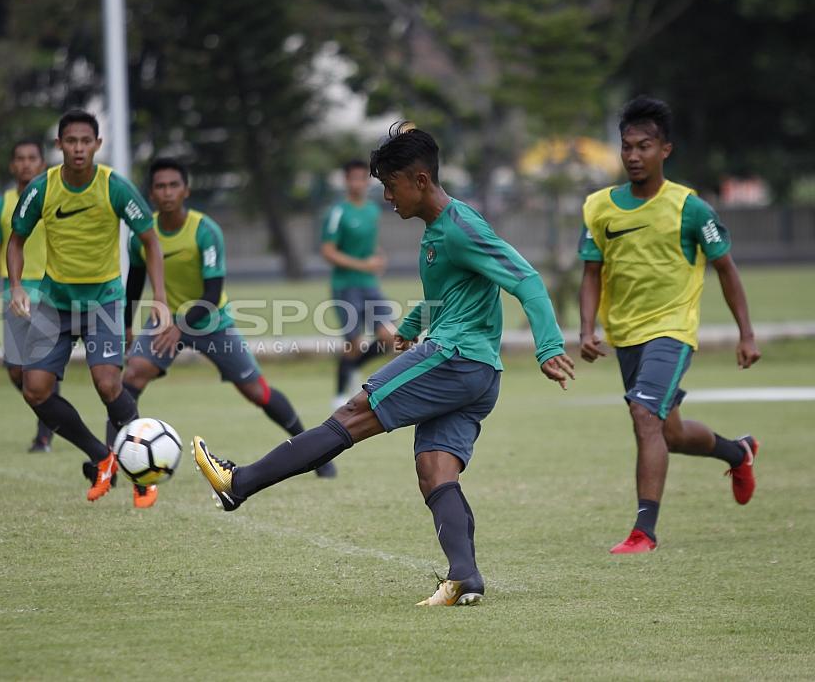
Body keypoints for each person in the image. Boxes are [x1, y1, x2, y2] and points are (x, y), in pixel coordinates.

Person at [193, 125, 575, 606]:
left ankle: (238, 482)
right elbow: (446, 294)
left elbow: (528, 280)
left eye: (390, 187)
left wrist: (547, 347)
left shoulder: (462, 227)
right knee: (435, 470)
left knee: (353, 415)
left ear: (419, 180)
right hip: (476, 371)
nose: (387, 199)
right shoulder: (439, 231)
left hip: (454, 359)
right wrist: (410, 325)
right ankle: (465, 579)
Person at [578, 96, 761, 555]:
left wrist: (746, 334)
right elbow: (591, 273)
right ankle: (738, 452)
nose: (634, 155)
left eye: (645, 146)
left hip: (673, 330)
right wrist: (585, 329)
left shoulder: (691, 209)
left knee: (644, 415)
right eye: (627, 147)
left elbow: (726, 270)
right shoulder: (599, 208)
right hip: (626, 336)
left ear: (666, 150)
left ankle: (644, 531)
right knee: (669, 432)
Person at [119, 158, 316, 507]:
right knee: (130, 377)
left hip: (211, 320)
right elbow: (134, 284)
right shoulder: (143, 234)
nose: (167, 192)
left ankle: (314, 453)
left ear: (186, 191)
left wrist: (180, 327)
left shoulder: (204, 231)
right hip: (166, 322)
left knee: (257, 391)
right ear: (151, 193)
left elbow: (211, 295)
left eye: (173, 185)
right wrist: (127, 327)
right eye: (160, 186)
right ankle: (119, 463)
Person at [7, 109, 169, 505]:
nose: (78, 149)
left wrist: (160, 299)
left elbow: (150, 241)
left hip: (103, 302)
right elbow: (16, 240)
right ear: (59, 145)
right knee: (35, 390)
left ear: (97, 145)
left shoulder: (114, 186)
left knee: (108, 383)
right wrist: (15, 286)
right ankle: (102, 457)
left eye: (86, 142)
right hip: (54, 303)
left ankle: (142, 472)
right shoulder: (42, 188)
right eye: (71, 141)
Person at [0, 139, 53, 452]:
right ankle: (50, 406)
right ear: (13, 165)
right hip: (16, 293)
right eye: (20, 159)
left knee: (43, 361)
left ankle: (44, 433)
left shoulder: (52, 198)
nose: (26, 164)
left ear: (42, 164)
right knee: (15, 369)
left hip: (52, 292)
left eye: (32, 158)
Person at [321, 159, 397, 417]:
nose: (359, 183)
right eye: (353, 178)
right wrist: (363, 265)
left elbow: (370, 245)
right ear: (346, 181)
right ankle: (340, 394)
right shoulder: (337, 212)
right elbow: (328, 251)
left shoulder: (373, 211)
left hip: (369, 285)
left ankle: (355, 368)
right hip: (345, 286)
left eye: (363, 178)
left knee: (390, 338)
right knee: (354, 343)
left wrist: (379, 257)